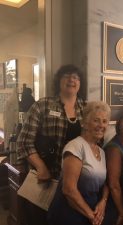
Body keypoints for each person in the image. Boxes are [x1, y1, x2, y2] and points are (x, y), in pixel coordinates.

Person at [16, 64, 85, 225]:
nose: (71, 79)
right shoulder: (42, 105)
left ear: (80, 83)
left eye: (76, 77)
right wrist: (41, 167)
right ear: (58, 81)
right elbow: (24, 141)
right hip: (47, 180)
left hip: (76, 184)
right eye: (67, 76)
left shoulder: (87, 109)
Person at [47, 101, 111, 225]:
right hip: (69, 215)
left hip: (89, 214)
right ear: (85, 123)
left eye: (104, 121)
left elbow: (105, 183)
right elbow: (69, 190)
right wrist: (91, 215)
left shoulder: (102, 152)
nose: (101, 125)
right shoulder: (75, 146)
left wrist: (103, 200)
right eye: (96, 120)